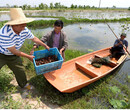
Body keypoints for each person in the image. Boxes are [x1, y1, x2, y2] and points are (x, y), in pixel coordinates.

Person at [0, 8, 50, 90]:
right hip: (1, 54)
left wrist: (44, 45)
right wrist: (28, 56)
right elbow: (14, 51)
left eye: (25, 25)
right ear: (15, 25)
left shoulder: (24, 29)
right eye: (22, 26)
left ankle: (23, 85)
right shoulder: (4, 33)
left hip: (13, 56)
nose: (24, 28)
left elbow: (34, 38)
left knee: (20, 70)